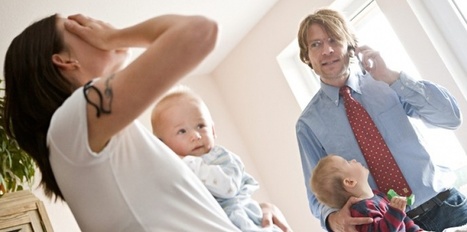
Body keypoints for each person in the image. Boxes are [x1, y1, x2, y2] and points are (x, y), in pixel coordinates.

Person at [3, 13, 290, 232]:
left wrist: (249, 212)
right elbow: (200, 32)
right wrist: (114, 37)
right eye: (78, 24)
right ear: (64, 60)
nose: (93, 24)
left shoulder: (84, 139)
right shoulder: (73, 120)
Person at [295, 8, 467, 232]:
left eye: (334, 40)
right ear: (307, 56)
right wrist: (334, 220)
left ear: (351, 45)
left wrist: (391, 77)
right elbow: (317, 195)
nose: (327, 50)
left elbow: (450, 118)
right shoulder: (308, 125)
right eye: (315, 44)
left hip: (446, 207)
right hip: (389, 226)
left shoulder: (387, 82)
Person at [150, 86, 287, 232]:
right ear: (163, 145)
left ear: (213, 131)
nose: (196, 135)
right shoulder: (172, 173)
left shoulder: (221, 157)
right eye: (182, 131)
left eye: (200, 126)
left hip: (248, 221)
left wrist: (188, 163)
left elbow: (227, 188)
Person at [311, 155, 424, 232]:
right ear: (350, 182)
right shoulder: (360, 211)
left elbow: (402, 221)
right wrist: (395, 212)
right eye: (348, 162)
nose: (354, 160)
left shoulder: (377, 196)